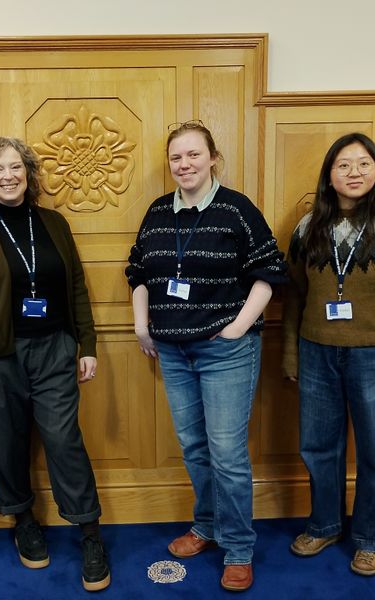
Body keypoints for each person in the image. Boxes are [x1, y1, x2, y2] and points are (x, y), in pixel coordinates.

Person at [126, 120, 286, 592]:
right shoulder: (157, 212)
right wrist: (141, 323)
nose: (184, 164)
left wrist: (236, 328)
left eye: (193, 155)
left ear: (212, 157)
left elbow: (269, 273)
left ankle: (238, 547)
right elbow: (137, 271)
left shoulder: (237, 209)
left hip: (225, 352)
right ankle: (208, 525)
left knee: (228, 453)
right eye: (176, 157)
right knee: (196, 448)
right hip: (173, 351)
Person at [0, 136, 110, 592]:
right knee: (5, 442)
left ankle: (89, 533)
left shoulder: (54, 223)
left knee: (64, 441)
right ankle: (22, 520)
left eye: (15, 167)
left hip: (55, 350)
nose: (7, 176)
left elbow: (76, 285)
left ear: (29, 173)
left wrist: (88, 343)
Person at [282, 132, 375, 576]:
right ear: (329, 174)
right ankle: (324, 525)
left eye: (364, 164)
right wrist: (291, 355)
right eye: (344, 165)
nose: (354, 173)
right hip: (317, 355)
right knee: (318, 448)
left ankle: (371, 537)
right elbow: (293, 297)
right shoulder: (308, 227)